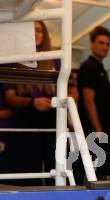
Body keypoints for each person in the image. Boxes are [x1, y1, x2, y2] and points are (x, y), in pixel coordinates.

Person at [3, 21, 76, 185]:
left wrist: (59, 101)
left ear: (45, 35)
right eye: (31, 31)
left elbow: (73, 91)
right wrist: (32, 102)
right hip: (25, 123)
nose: (36, 34)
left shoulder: (55, 60)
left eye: (39, 31)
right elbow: (10, 97)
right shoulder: (13, 61)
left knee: (57, 168)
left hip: (53, 122)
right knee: (27, 172)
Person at [77, 26, 110, 180]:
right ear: (92, 44)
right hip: (97, 131)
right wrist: (98, 130)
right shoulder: (89, 67)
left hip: (106, 130)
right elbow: (88, 101)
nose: (105, 47)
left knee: (107, 171)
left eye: (107, 44)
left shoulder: (99, 68)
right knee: (98, 173)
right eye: (101, 43)